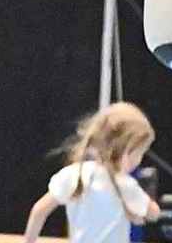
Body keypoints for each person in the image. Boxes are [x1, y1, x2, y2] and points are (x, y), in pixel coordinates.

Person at [22, 102, 161, 243]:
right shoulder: (125, 185)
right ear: (126, 152)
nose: (139, 160)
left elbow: (39, 210)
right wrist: (146, 197)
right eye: (140, 153)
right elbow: (153, 214)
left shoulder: (74, 174)